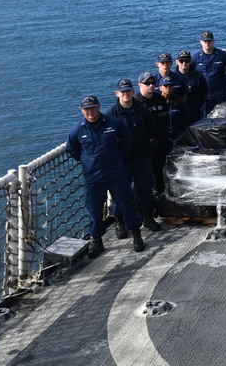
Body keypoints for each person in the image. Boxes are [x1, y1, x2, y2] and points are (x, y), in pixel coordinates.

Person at [67, 95, 144, 257]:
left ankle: (136, 234)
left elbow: (126, 141)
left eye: (93, 107)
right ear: (81, 110)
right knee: (94, 210)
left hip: (115, 173)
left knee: (126, 204)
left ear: (99, 106)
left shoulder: (114, 123)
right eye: (87, 109)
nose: (90, 111)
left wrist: (118, 159)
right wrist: (87, 161)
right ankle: (97, 240)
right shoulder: (77, 130)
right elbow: (72, 149)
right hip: (93, 177)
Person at [106, 78, 161, 234]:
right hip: (122, 160)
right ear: (117, 93)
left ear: (132, 92)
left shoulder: (143, 110)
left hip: (141, 157)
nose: (126, 94)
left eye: (128, 91)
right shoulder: (111, 114)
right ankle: (119, 221)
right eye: (122, 92)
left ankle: (147, 218)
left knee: (144, 190)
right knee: (120, 192)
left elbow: (152, 129)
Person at [135, 71, 171, 195]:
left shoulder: (160, 99)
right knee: (144, 176)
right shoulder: (136, 102)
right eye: (147, 83)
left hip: (160, 143)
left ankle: (160, 199)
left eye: (153, 83)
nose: (151, 86)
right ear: (140, 85)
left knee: (161, 174)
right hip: (144, 145)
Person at [193, 31, 226, 114]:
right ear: (201, 42)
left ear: (213, 41)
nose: (207, 43)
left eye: (209, 41)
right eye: (205, 41)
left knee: (224, 118)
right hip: (204, 96)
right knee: (204, 120)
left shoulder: (223, 56)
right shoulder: (195, 58)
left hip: (221, 94)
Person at [174, 50, 208, 122]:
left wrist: (197, 105)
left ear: (190, 61)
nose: (184, 63)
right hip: (178, 113)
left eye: (187, 60)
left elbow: (204, 93)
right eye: (181, 61)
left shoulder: (198, 76)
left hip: (195, 112)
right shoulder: (172, 77)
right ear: (177, 62)